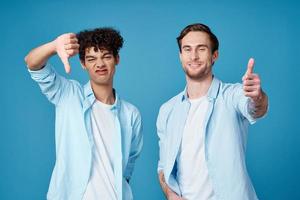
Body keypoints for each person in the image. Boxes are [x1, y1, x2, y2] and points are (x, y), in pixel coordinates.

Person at [25, 27, 143, 200]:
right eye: (91, 58)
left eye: (106, 56)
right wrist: (54, 46)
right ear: (83, 63)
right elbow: (32, 63)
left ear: (117, 59)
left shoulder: (131, 114)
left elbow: (128, 167)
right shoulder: (69, 94)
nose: (100, 64)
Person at [157, 23, 268, 200]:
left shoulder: (233, 95)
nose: (193, 56)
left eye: (201, 49)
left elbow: (256, 109)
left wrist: (257, 96)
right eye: (187, 49)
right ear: (180, 56)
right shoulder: (167, 110)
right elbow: (164, 166)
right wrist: (171, 195)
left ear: (214, 55)